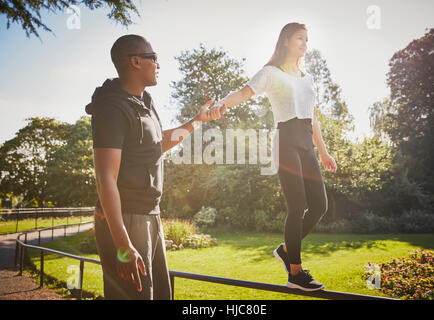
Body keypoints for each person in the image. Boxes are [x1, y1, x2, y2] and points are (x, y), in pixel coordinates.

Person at [85, 34, 221, 300]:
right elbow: (105, 179)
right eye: (154, 57)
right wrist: (123, 245)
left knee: (159, 294)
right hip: (127, 217)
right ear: (135, 61)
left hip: (150, 213)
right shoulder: (112, 109)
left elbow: (155, 146)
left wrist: (197, 120)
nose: (159, 64)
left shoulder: (146, 102)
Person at [212, 23, 337, 291]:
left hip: (306, 143)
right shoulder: (271, 73)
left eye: (307, 39)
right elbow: (244, 93)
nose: (305, 43)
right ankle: (295, 272)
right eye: (300, 38)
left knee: (319, 206)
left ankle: (284, 249)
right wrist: (221, 104)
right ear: (286, 41)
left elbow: (314, 118)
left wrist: (324, 151)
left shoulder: (307, 77)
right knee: (297, 205)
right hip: (286, 142)